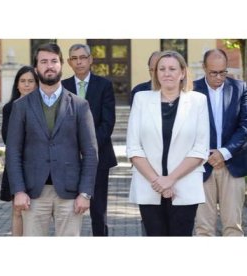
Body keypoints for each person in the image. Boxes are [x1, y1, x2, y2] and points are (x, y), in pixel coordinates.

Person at [6, 43, 98, 236]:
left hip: (70, 193)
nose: (49, 66)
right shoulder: (21, 106)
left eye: (54, 61)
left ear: (61, 65)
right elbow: (13, 152)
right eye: (44, 61)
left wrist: (85, 193)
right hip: (33, 193)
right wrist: (19, 190)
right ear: (36, 67)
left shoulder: (80, 105)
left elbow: (90, 152)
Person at [126, 50, 210, 236]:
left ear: (182, 73)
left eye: (172, 68)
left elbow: (200, 149)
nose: (167, 73)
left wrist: (170, 180)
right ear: (155, 73)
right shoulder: (141, 98)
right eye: (161, 69)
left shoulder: (198, 101)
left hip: (185, 184)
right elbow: (133, 147)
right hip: (149, 185)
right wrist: (158, 181)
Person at [62, 43, 117, 236]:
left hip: (99, 157)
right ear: (69, 62)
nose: (79, 62)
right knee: (68, 211)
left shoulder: (104, 85)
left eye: (83, 57)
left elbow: (107, 123)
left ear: (90, 59)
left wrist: (88, 148)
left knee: (98, 212)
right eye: (75, 58)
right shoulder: (62, 87)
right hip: (68, 159)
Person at [194, 49, 247, 236]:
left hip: (232, 165)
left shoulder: (240, 88)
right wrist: (206, 154)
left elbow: (245, 126)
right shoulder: (191, 90)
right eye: (213, 72)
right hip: (201, 166)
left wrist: (223, 153)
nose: (219, 77)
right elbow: (186, 129)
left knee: (233, 227)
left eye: (223, 72)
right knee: (203, 229)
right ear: (204, 68)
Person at [0, 65, 39, 236]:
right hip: (16, 164)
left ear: (37, 84)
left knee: (36, 212)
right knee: (17, 210)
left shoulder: (42, 107)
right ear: (17, 85)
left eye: (31, 81)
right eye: (23, 81)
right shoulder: (9, 108)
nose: (27, 85)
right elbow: (7, 138)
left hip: (37, 165)